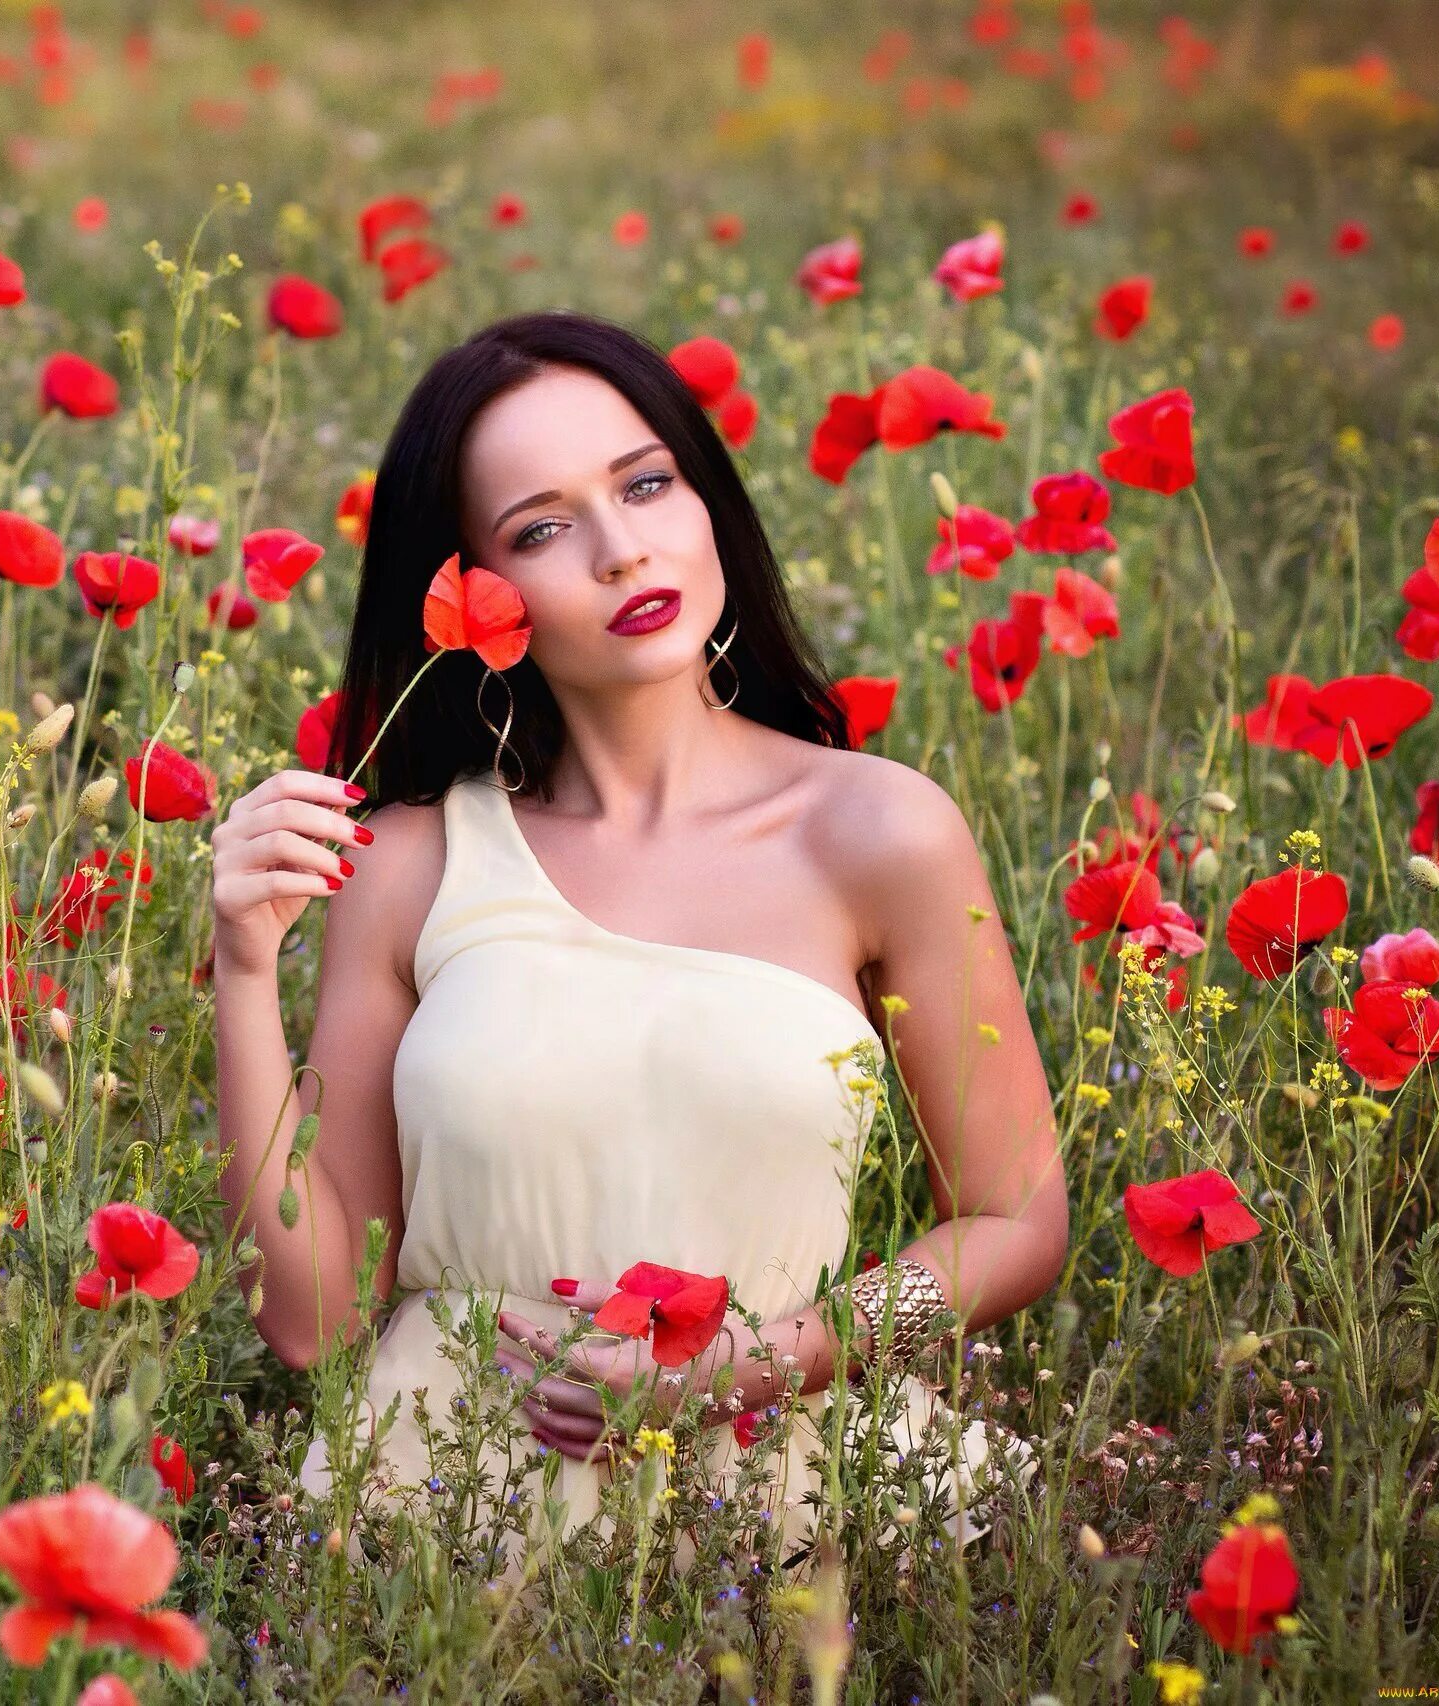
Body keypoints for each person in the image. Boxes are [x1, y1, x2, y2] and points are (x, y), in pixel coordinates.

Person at [207, 309, 1067, 1583]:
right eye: (541, 527)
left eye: (647, 482)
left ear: (706, 497)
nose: (621, 549)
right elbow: (312, 1319)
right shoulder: (411, 861)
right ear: (470, 594)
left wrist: (750, 1365)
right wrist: (241, 967)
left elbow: (1012, 1216)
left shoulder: (880, 830)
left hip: (785, 1514)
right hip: (440, 1522)